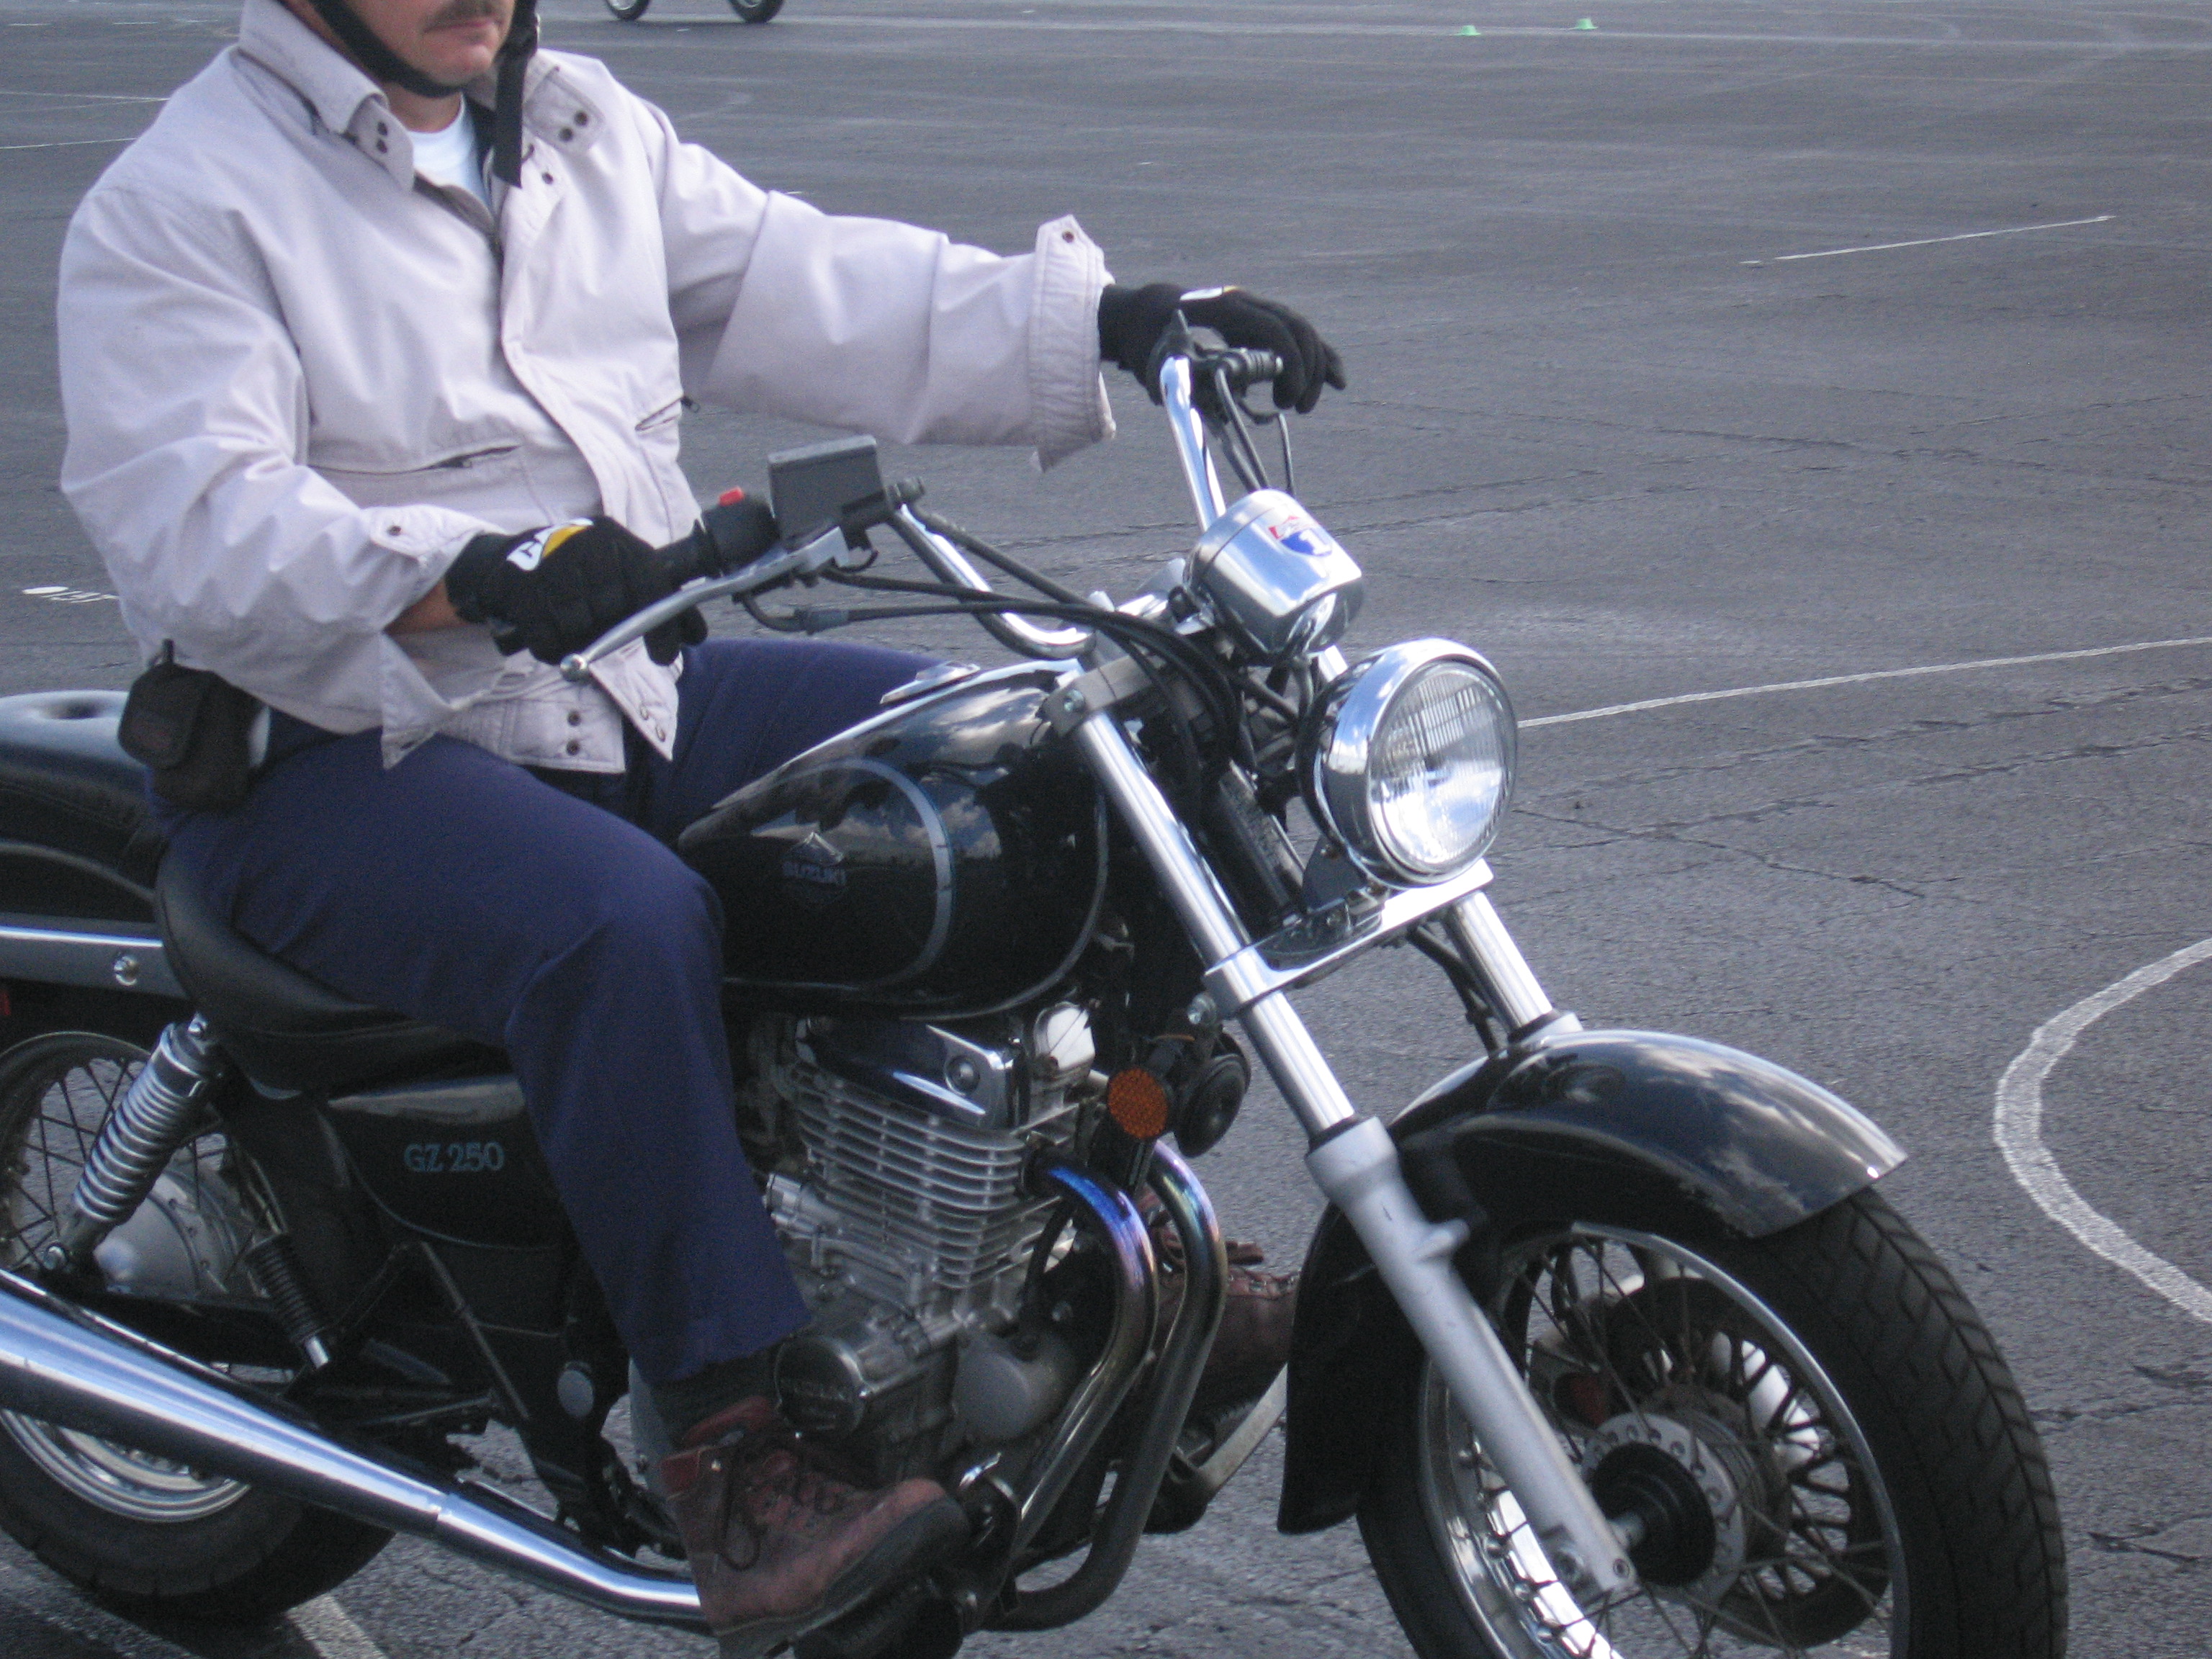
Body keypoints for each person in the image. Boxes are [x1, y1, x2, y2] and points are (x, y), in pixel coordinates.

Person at [55, 0, 1339, 1640]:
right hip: (332, 740)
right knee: (618, 925)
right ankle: (734, 1452)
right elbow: (199, 523)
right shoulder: (191, 199)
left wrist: (1105, 317)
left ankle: (1101, 1235)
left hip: (606, 681)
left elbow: (806, 281)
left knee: (1028, 751)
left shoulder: (574, 131)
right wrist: (467, 570)